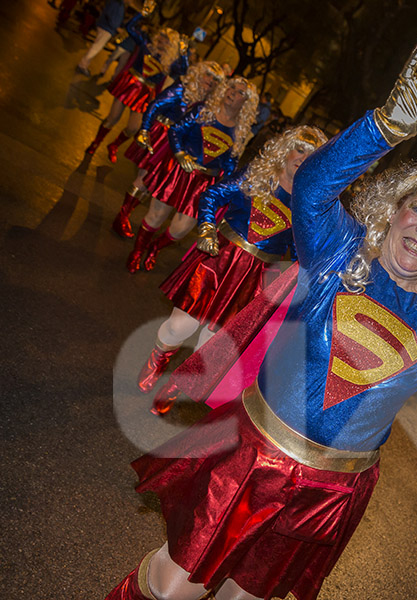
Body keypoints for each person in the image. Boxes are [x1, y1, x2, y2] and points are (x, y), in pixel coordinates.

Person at [103, 39, 417, 600]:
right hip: (249, 453)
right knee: (174, 587)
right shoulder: (339, 253)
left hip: (330, 488)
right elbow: (315, 184)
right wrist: (386, 126)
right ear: (392, 209)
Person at [136, 126, 328, 411]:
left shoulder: (308, 204)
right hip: (218, 259)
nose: (302, 158)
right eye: (299, 149)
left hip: (253, 277)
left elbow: (302, 250)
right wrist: (206, 229)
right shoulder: (258, 174)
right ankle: (158, 357)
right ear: (286, 149)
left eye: (311, 155)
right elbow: (212, 196)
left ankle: (177, 383)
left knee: (212, 342)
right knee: (179, 326)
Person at [126, 76, 258, 273]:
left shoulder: (241, 132)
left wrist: (225, 190)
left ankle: (155, 247)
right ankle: (137, 251)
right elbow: (176, 130)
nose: (232, 93)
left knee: (180, 230)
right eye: (231, 87)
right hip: (178, 171)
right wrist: (180, 153)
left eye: (240, 92)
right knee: (156, 215)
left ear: (246, 103)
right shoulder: (203, 110)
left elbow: (230, 163)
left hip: (203, 182)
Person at [111, 60, 226, 238]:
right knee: (144, 178)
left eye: (216, 80)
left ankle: (125, 214)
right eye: (208, 75)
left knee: (154, 184)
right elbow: (155, 105)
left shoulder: (209, 103)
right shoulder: (182, 88)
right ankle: (122, 215)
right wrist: (144, 129)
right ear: (198, 72)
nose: (210, 81)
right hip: (161, 138)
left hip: (180, 146)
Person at [84, 9, 187, 163]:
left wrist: (184, 53)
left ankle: (114, 145)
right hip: (130, 84)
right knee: (112, 118)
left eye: (168, 40)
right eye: (163, 37)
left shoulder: (170, 61)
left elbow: (184, 71)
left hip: (145, 93)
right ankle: (96, 142)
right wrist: (142, 14)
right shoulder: (146, 44)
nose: (163, 41)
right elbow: (130, 28)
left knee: (133, 128)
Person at [75, 0, 128, 76]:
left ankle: (84, 65)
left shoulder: (119, 3)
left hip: (106, 27)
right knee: (95, 48)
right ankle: (82, 65)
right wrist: (117, 27)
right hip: (107, 28)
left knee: (95, 48)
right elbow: (109, 15)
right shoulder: (117, 3)